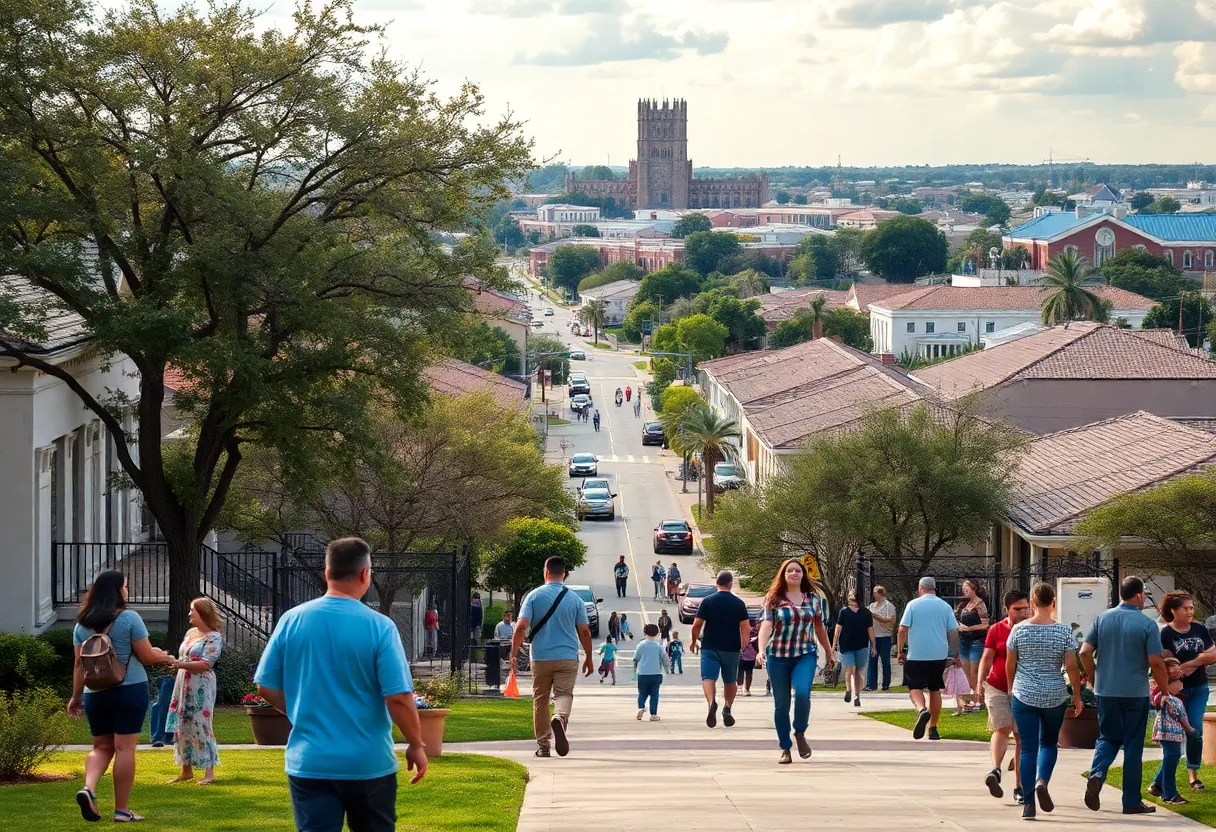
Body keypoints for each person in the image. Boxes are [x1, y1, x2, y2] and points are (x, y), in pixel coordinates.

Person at [255, 538, 427, 832]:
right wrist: (415, 744)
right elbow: (397, 697)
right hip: (368, 763)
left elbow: (265, 686)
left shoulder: (291, 620)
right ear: (365, 575)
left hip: (310, 761)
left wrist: (301, 709)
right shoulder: (380, 626)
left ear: (327, 573)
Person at [69, 570, 174, 823]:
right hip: (129, 689)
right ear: (117, 592)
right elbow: (147, 656)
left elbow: (78, 665)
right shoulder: (129, 618)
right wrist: (166, 657)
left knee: (101, 747)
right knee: (124, 748)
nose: (127, 591)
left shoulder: (81, 625)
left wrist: (76, 697)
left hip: (94, 693)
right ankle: (122, 811)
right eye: (125, 587)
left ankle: (89, 788)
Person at [1081, 575, 1171, 815]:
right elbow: (1156, 661)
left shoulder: (1102, 618)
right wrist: (1163, 688)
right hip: (1134, 692)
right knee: (1132, 745)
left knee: (1108, 738)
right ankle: (1131, 801)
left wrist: (1093, 678)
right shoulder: (1147, 624)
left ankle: (1098, 773)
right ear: (1139, 595)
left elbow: (1084, 652)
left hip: (1106, 690)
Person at [1006, 582, 1084, 821]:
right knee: (1049, 744)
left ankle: (1028, 803)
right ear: (1053, 603)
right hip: (1054, 695)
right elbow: (1071, 666)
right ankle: (1043, 781)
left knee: (1028, 748)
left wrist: (1011, 688)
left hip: (1025, 694)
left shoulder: (1018, 630)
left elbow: (1010, 663)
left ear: (1031, 602)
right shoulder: (1063, 631)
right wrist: (1077, 697)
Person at [510, 555, 594, 758]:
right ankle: (560, 717)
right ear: (563, 574)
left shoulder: (534, 597)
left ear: (545, 572)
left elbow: (521, 626)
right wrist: (589, 657)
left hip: (540, 658)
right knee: (564, 694)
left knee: (540, 699)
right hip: (566, 657)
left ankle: (544, 746)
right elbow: (584, 631)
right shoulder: (575, 599)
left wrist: (513, 653)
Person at [756, 559, 833, 764]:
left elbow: (819, 628)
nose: (794, 573)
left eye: (797, 570)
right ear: (783, 575)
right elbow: (766, 626)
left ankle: (799, 732)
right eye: (789, 570)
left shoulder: (814, 599)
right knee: (781, 704)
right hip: (778, 657)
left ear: (803, 575)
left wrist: (829, 650)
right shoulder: (773, 598)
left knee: (802, 693)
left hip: (805, 654)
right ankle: (785, 748)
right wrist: (761, 650)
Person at [1154, 591, 1216, 793]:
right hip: (1176, 693)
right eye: (1186, 608)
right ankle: (1158, 783)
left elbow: (1213, 654)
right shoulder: (1166, 634)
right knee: (1175, 738)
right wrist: (1201, 658)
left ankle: (1193, 776)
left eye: (1192, 608)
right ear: (1174, 610)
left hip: (1199, 688)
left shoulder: (1199, 628)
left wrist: (1191, 664)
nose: (1190, 611)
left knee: (1195, 730)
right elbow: (1171, 666)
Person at [976, 589, 1030, 804]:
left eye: (1026, 608)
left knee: (1020, 737)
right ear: (1007, 609)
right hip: (997, 686)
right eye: (1018, 609)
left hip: (1022, 688)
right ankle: (996, 770)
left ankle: (1019, 786)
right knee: (1002, 728)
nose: (1023, 613)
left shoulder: (1030, 629)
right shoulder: (996, 630)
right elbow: (987, 657)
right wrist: (979, 682)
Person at [166, 597, 225, 786]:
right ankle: (186, 770)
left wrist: (179, 664)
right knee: (182, 723)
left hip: (201, 685)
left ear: (203, 612)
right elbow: (184, 656)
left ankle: (209, 772)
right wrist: (174, 662)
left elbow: (207, 663)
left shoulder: (214, 637)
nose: (189, 614)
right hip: (183, 682)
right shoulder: (191, 633)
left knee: (201, 724)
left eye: (193, 610)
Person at [897, 576, 960, 742]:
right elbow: (953, 632)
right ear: (935, 588)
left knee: (914, 687)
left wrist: (900, 650)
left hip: (917, 653)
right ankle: (933, 728)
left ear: (920, 588)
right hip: (938, 655)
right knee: (935, 688)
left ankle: (921, 709)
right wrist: (956, 654)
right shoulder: (945, 606)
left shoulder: (913, 605)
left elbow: (902, 629)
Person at [690, 570, 751, 730]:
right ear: (731, 584)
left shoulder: (708, 601)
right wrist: (744, 645)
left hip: (710, 645)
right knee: (730, 680)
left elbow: (697, 625)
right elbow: (745, 626)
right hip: (731, 648)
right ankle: (727, 707)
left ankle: (711, 703)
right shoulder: (738, 603)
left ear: (716, 583)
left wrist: (693, 641)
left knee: (708, 678)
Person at [1150, 658, 1197, 806]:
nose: (1181, 686)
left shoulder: (1174, 698)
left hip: (1172, 733)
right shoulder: (1166, 696)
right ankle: (1169, 794)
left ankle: (1157, 785)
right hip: (1167, 732)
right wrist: (1191, 730)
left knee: (1173, 757)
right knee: (1173, 757)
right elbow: (1180, 717)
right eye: (1179, 684)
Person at [833, 591, 876, 708]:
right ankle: (852, 693)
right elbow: (838, 629)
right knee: (853, 670)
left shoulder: (859, 613)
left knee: (853, 670)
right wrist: (874, 645)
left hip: (854, 645)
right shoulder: (852, 612)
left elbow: (870, 630)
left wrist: (874, 645)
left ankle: (853, 693)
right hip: (854, 645)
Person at [956, 579, 991, 714]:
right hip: (964, 642)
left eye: (966, 588)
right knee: (966, 675)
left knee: (974, 673)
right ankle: (978, 699)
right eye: (963, 588)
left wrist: (969, 628)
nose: (964, 590)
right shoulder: (964, 605)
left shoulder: (980, 604)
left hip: (976, 642)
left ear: (973, 589)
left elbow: (985, 624)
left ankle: (980, 701)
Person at [866, 585, 897, 693]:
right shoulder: (872, 606)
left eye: (875, 592)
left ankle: (885, 684)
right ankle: (871, 685)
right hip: (873, 637)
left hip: (884, 637)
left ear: (880, 593)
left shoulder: (889, 606)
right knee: (872, 661)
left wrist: (875, 616)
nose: (873, 594)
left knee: (885, 662)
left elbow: (890, 620)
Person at [634, 624, 666, 721]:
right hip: (656, 674)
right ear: (657, 634)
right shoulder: (658, 646)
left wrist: (635, 668)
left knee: (642, 693)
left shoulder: (641, 645)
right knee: (654, 694)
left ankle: (641, 707)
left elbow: (636, 657)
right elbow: (665, 658)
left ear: (645, 633)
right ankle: (653, 714)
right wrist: (667, 667)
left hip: (643, 674)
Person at [149, 673, 176, 749]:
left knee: (170, 705)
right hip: (166, 674)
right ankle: (159, 737)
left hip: (177, 673)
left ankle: (168, 736)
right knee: (163, 704)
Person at [738, 621, 758, 696]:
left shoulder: (742, 631)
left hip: (742, 654)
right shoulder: (756, 633)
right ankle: (747, 689)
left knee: (740, 671)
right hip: (751, 656)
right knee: (749, 672)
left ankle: (739, 687)